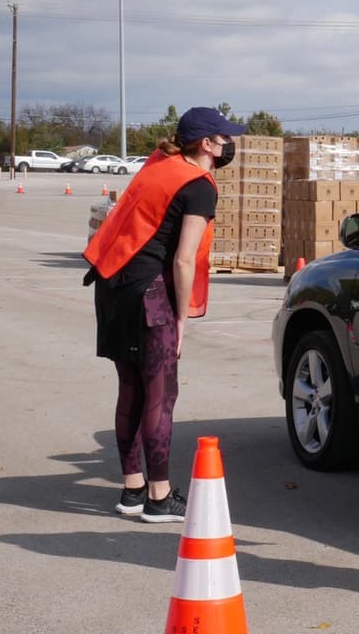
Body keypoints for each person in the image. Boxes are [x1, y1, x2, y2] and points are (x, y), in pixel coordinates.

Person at [82, 107, 245, 522]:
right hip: (148, 293)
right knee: (161, 394)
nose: (230, 144)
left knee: (131, 390)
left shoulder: (159, 166)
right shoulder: (199, 186)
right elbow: (184, 261)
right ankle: (159, 496)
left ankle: (133, 489)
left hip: (111, 283)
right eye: (225, 138)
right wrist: (181, 319)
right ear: (206, 145)